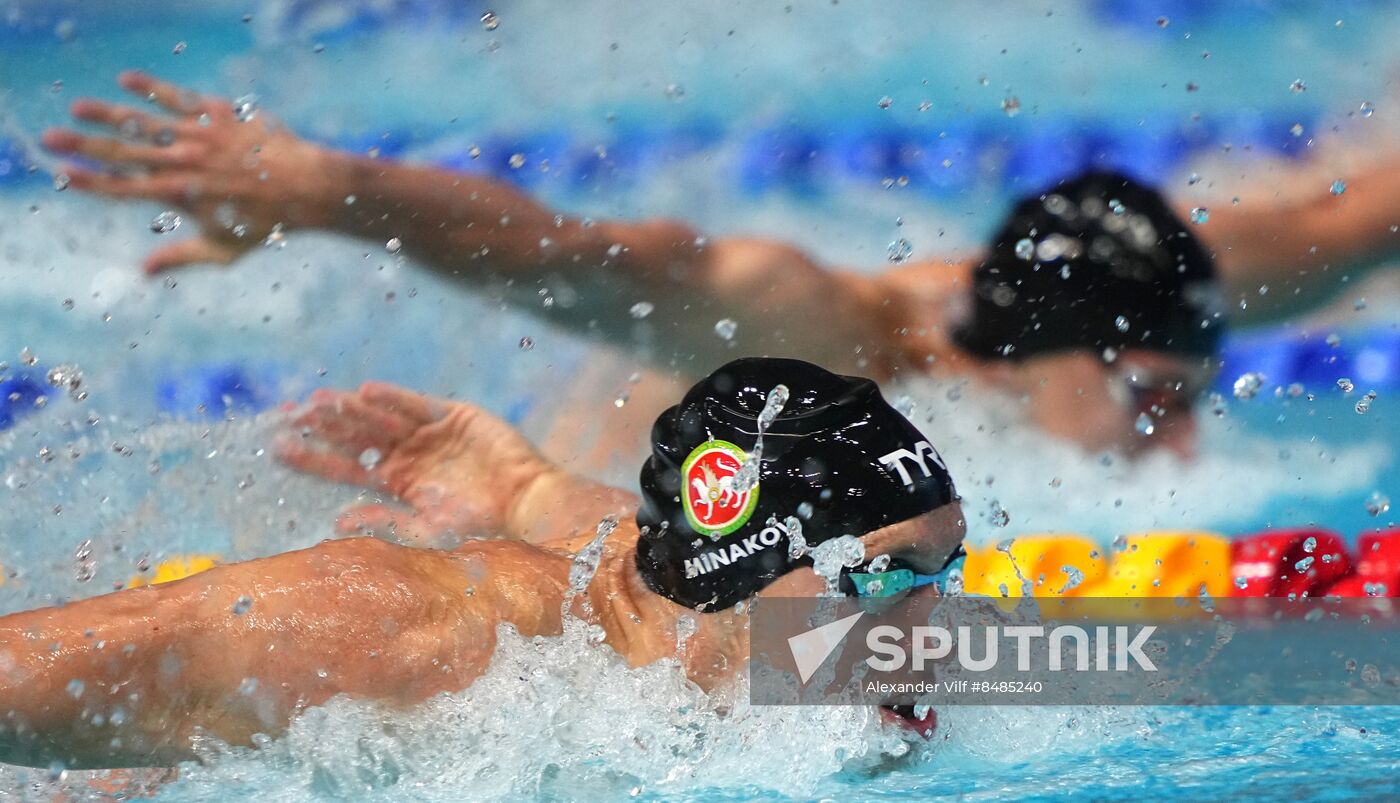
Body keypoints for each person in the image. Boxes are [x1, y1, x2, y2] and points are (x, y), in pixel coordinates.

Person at [41, 72, 1400, 460]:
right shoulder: (822, 332)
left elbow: (1356, 217)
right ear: (1042, 352)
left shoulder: (1168, 285)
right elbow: (577, 255)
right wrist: (332, 188)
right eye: (1160, 400)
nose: (1181, 445)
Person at [0, 358, 964, 769]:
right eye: (878, 580)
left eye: (941, 576)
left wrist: (528, 486)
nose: (934, 634)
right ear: (737, 575)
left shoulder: (694, 622)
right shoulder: (433, 642)